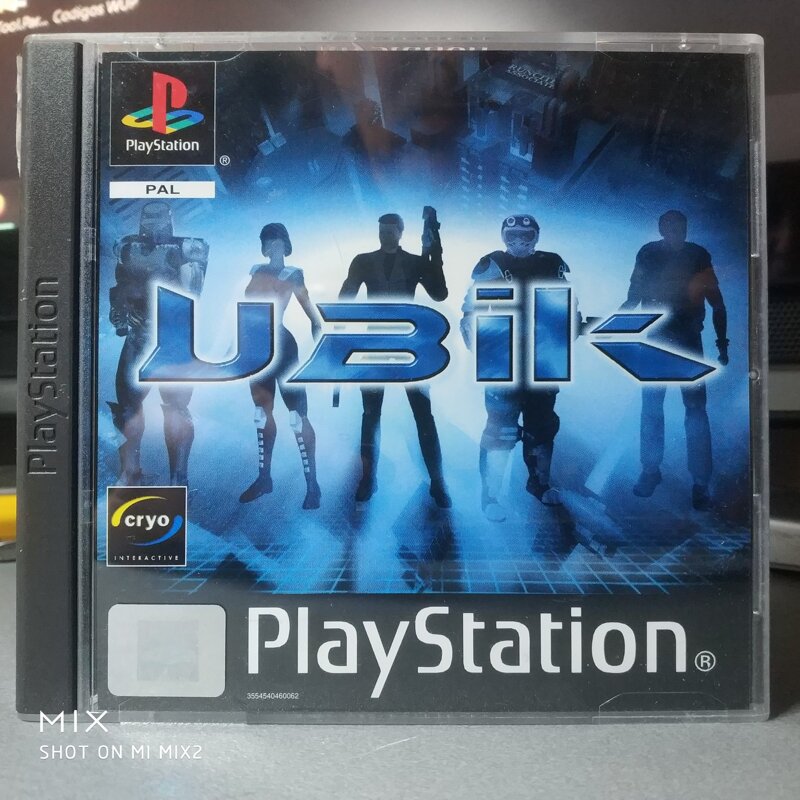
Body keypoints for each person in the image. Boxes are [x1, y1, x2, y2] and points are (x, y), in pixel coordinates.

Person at [339, 209, 451, 508]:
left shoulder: (415, 262)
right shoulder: (363, 261)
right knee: (370, 416)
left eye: (390, 230)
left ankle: (438, 482)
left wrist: (434, 253)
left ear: (400, 232)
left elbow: (439, 293)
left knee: (423, 416)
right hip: (375, 344)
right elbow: (345, 298)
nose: (385, 234)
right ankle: (368, 479)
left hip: (409, 344)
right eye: (382, 229)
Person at [461, 214, 570, 522]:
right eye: (513, 236)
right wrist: (476, 340)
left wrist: (567, 328)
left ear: (536, 236)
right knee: (500, 429)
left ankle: (539, 482)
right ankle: (490, 495)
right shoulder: (491, 264)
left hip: (541, 360)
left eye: (526, 235)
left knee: (542, 426)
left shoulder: (552, 263)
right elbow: (470, 310)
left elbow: (565, 305)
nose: (520, 241)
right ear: (504, 237)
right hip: (502, 361)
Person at [621, 210, 729, 511]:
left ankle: (699, 482)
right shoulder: (649, 253)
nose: (675, 231)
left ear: (685, 228)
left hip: (687, 342)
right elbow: (634, 297)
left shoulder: (697, 255)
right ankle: (652, 470)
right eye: (670, 227)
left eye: (679, 226)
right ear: (661, 229)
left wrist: (722, 343)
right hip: (658, 341)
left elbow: (717, 302)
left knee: (693, 411)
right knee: (654, 409)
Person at [108, 201, 208, 486]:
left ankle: (176, 479)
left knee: (174, 410)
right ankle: (132, 473)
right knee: (129, 409)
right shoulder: (129, 249)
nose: (151, 230)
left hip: (170, 339)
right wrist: (119, 316)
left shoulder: (186, 250)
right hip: (144, 337)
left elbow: (192, 294)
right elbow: (120, 291)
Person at [239, 223, 322, 510]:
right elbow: (247, 312)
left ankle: (312, 485)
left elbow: (312, 314)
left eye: (277, 241)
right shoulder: (256, 271)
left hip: (283, 349)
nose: (272, 246)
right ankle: (264, 478)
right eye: (268, 242)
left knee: (297, 416)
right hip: (257, 349)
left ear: (285, 245)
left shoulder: (293, 274)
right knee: (261, 414)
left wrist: (323, 344)